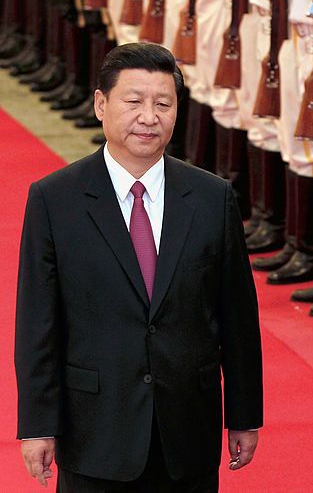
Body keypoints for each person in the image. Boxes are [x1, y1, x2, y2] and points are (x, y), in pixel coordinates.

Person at [15, 42, 263, 489]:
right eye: (133, 102)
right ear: (100, 105)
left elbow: (237, 318)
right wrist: (37, 423)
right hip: (94, 431)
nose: (149, 117)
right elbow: (38, 323)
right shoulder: (55, 199)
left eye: (163, 104)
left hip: (187, 429)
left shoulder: (212, 198)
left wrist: (244, 415)